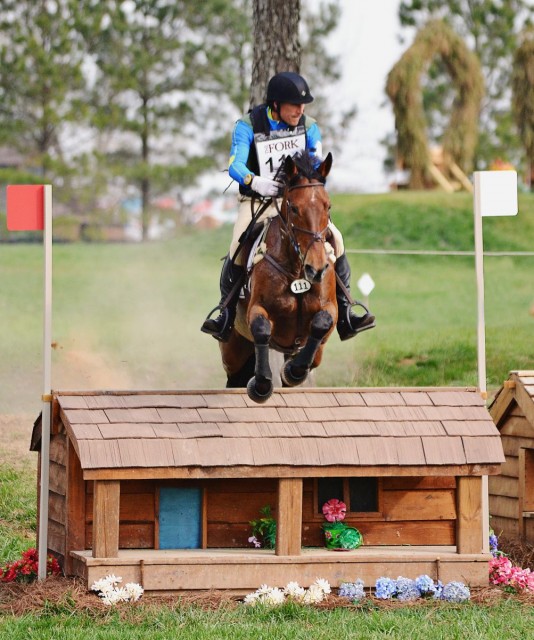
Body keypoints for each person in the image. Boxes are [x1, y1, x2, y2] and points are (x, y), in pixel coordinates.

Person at [201, 71, 375, 342]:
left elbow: (315, 161)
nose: (300, 110)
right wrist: (256, 182)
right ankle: (225, 313)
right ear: (275, 104)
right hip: (257, 199)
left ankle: (347, 309)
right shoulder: (247, 125)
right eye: (294, 104)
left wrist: (313, 176)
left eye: (303, 104)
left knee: (336, 240)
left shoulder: (309, 126)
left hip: (295, 202)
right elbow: (235, 165)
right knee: (238, 244)